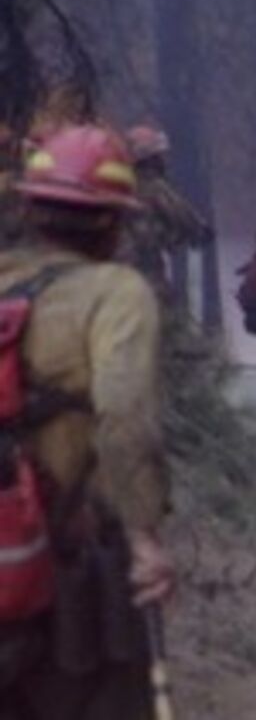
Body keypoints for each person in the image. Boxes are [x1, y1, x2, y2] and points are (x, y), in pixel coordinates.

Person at [0, 125, 175, 718]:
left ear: (30, 206)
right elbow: (124, 418)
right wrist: (145, 537)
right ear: (112, 221)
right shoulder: (115, 293)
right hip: (74, 570)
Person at [120, 125, 213, 297]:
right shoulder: (154, 187)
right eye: (159, 155)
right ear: (151, 158)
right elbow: (185, 218)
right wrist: (201, 231)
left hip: (114, 277)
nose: (164, 160)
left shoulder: (116, 187)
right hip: (144, 274)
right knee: (166, 314)